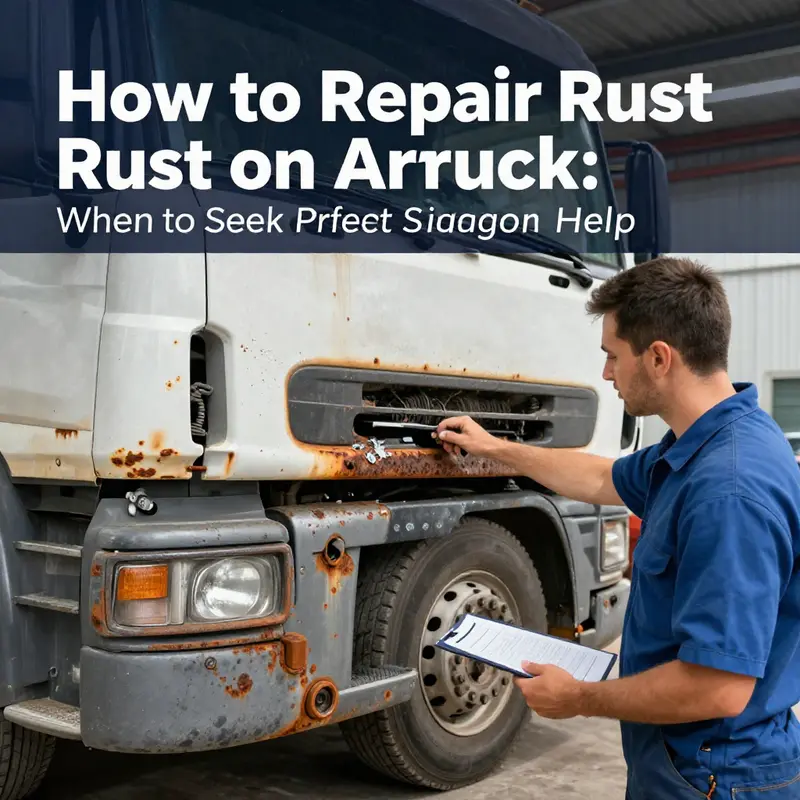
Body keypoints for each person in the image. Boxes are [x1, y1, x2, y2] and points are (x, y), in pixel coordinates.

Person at [435, 257, 800, 799]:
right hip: (688, 761)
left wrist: (579, 697)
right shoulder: (704, 444)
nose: (607, 374)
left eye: (612, 355)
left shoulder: (727, 490)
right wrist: (495, 448)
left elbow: (717, 688)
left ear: (658, 358)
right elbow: (602, 477)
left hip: (713, 776)